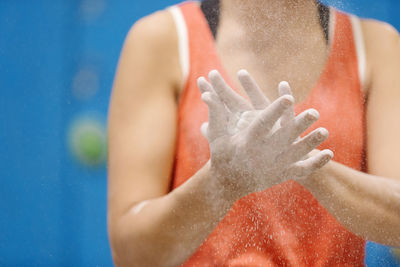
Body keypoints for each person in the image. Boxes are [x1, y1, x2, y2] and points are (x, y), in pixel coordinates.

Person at [107, 0, 400, 266]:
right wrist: (221, 183)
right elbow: (132, 255)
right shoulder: (163, 39)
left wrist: (301, 162)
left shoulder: (376, 45)